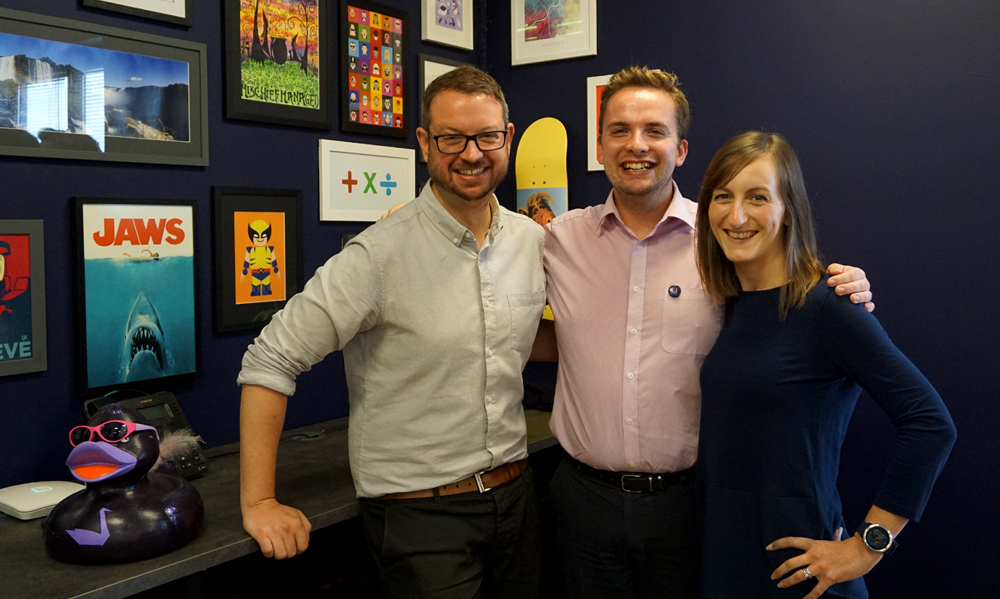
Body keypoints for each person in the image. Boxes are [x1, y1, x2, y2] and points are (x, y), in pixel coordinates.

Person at [535, 67, 874, 598]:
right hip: (584, 502)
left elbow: (789, 301)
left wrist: (845, 285)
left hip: (693, 504)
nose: (636, 145)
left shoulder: (724, 238)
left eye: (654, 130)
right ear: (600, 147)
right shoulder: (558, 239)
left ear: (681, 149)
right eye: (619, 130)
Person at [237, 66, 546, 598]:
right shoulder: (377, 254)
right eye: (452, 138)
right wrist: (259, 502)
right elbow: (269, 360)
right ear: (425, 143)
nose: (472, 153)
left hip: (516, 499)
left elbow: (511, 337)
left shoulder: (530, 240)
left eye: (487, 136)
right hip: (422, 517)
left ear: (508, 138)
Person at [694, 131, 956, 598]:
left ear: (789, 209)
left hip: (801, 573)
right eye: (723, 196)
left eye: (758, 197)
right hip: (727, 559)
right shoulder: (732, 305)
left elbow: (931, 424)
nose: (736, 216)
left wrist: (867, 546)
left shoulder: (828, 306)